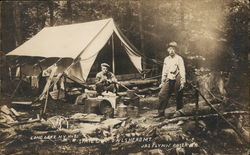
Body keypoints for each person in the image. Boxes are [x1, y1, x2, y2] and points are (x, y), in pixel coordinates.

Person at [154, 41, 186, 118]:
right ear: (168, 50)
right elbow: (164, 71)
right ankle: (160, 112)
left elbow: (182, 70)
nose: (171, 51)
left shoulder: (179, 58)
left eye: (173, 49)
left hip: (177, 77)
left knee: (179, 95)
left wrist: (182, 81)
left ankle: (179, 113)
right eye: (170, 49)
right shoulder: (166, 59)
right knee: (162, 94)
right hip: (169, 77)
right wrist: (162, 82)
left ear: (176, 50)